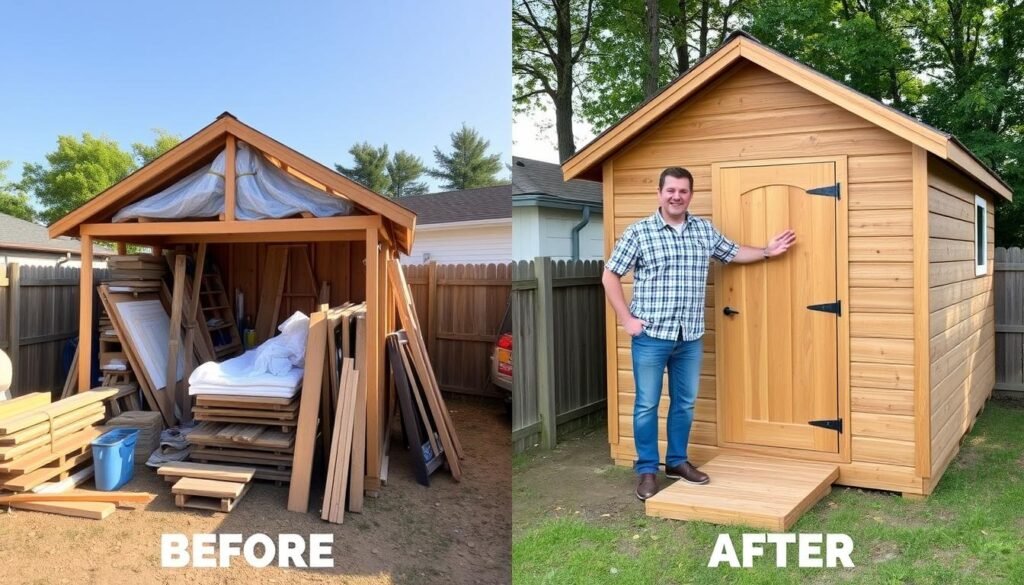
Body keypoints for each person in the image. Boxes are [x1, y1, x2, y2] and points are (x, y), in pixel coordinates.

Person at [602, 166, 796, 501]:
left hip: (689, 337)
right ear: (660, 193)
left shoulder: (703, 230)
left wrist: (766, 251)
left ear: (690, 194)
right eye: (671, 190)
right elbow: (610, 276)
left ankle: (677, 462)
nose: (676, 196)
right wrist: (626, 319)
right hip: (650, 335)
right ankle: (647, 470)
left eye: (683, 191)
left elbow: (732, 252)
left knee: (685, 404)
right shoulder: (639, 233)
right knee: (647, 405)